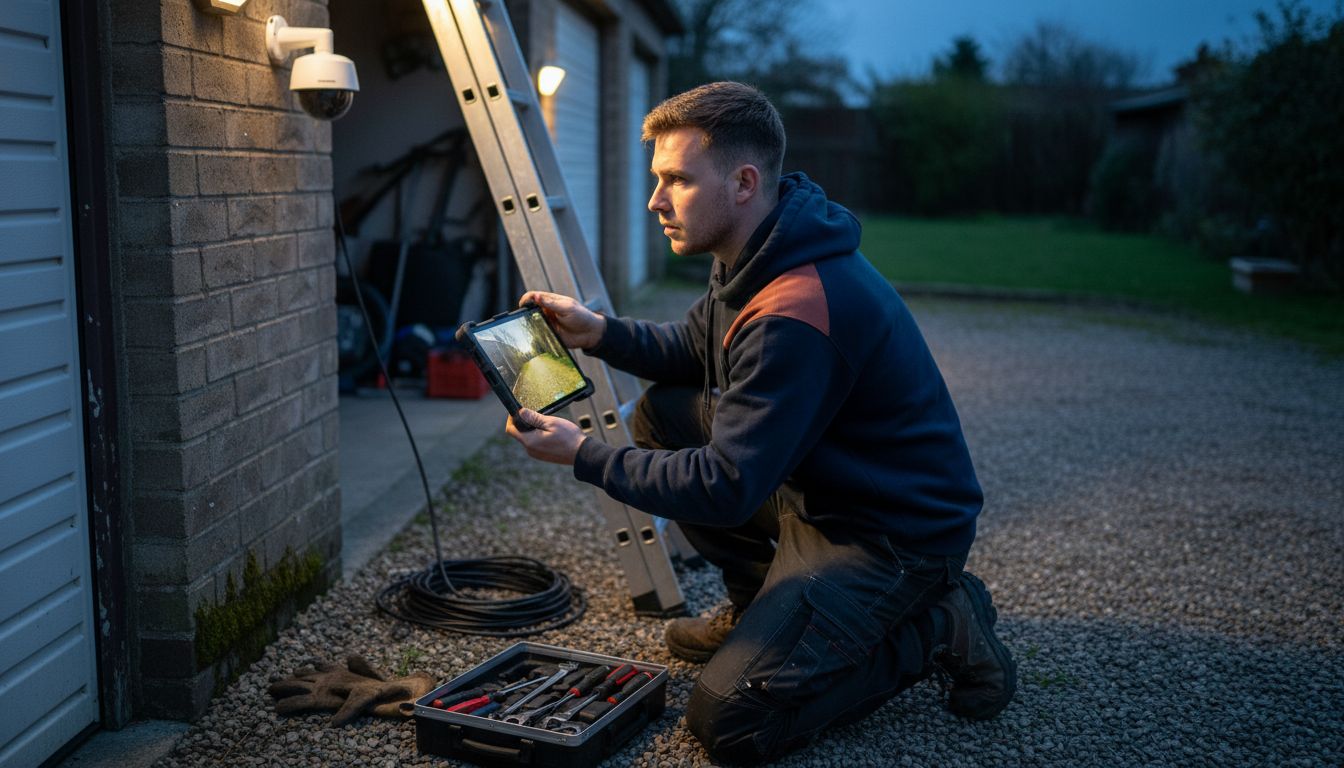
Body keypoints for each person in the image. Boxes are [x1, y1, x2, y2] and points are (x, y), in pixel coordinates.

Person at [505, 81, 1015, 764]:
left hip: (889, 535)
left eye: (676, 180)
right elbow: (693, 350)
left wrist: (584, 454)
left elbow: (725, 485)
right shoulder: (754, 253)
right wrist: (598, 332)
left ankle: (939, 624)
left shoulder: (795, 308)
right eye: (658, 179)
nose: (656, 200)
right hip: (819, 487)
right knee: (663, 413)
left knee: (731, 721)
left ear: (744, 182)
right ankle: (756, 605)